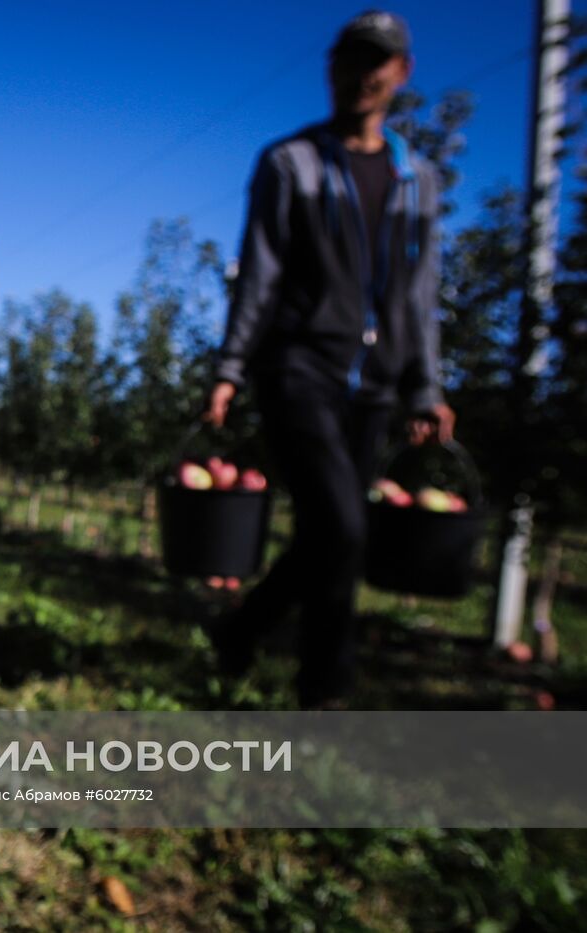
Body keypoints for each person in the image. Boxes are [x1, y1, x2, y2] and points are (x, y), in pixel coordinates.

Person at [202, 10, 455, 709]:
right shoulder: (292, 164)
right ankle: (326, 694)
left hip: (376, 378)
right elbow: (260, 272)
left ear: (400, 73)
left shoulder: (417, 180)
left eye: (380, 61)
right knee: (343, 525)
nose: (364, 74)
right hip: (298, 365)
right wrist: (230, 367)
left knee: (333, 531)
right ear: (332, 67)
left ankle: (242, 629)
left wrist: (424, 387)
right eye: (352, 58)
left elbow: (420, 290)